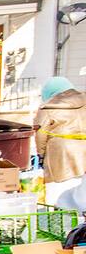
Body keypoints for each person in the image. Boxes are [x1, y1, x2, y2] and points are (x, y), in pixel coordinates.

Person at [34, 77, 86, 208]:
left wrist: (41, 154)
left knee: (58, 196)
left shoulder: (48, 107)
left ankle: (62, 224)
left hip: (61, 155)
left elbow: (41, 134)